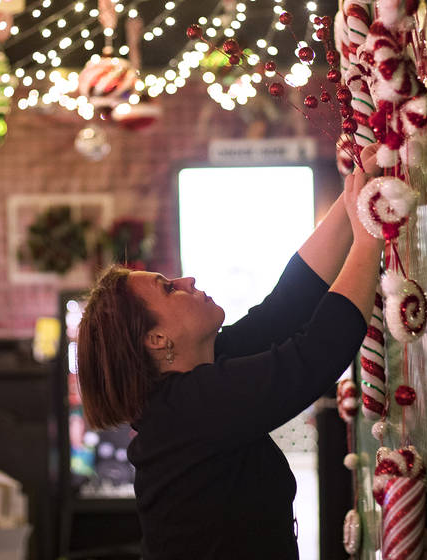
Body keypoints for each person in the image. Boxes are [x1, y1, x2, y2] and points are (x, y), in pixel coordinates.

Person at [76, 145, 384, 560]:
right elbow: (315, 357)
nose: (187, 280)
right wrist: (369, 236)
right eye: (168, 287)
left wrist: (352, 201)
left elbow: (285, 308)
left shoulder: (198, 372)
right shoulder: (187, 408)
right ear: (157, 340)